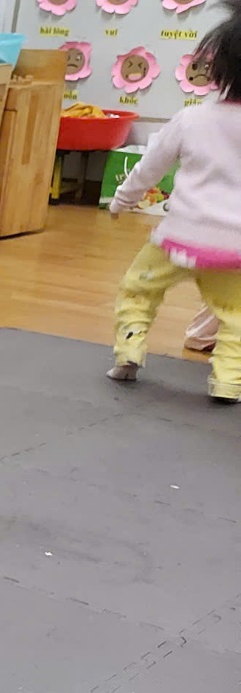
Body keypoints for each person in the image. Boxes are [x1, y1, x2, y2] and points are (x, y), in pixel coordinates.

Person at [105, 0, 241, 401]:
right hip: (234, 247)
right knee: (235, 317)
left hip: (177, 237)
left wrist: (121, 201)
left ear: (218, 68)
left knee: (137, 290)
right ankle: (229, 381)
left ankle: (129, 353)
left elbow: (148, 169)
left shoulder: (191, 119)